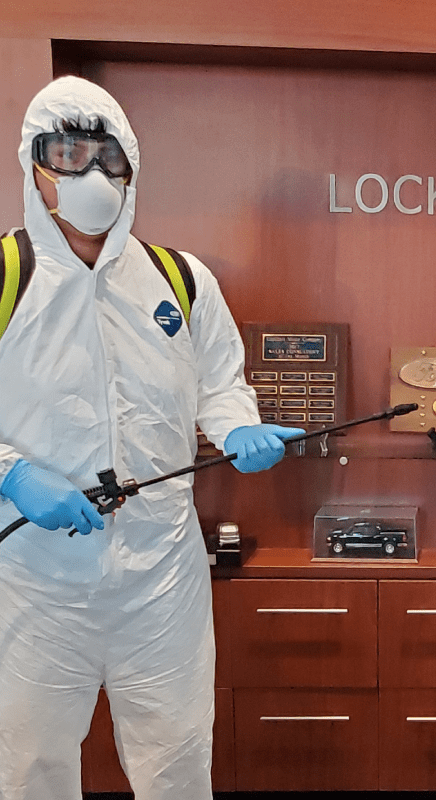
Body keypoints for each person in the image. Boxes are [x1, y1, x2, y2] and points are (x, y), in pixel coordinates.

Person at [0, 76, 304, 800]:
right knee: (30, 766)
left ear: (131, 164)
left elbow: (221, 381)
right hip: (35, 582)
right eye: (67, 153)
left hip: (161, 577)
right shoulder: (7, 275)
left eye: (106, 156)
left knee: (177, 761)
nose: (89, 174)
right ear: (34, 163)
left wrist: (238, 430)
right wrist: (12, 473)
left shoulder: (182, 279)